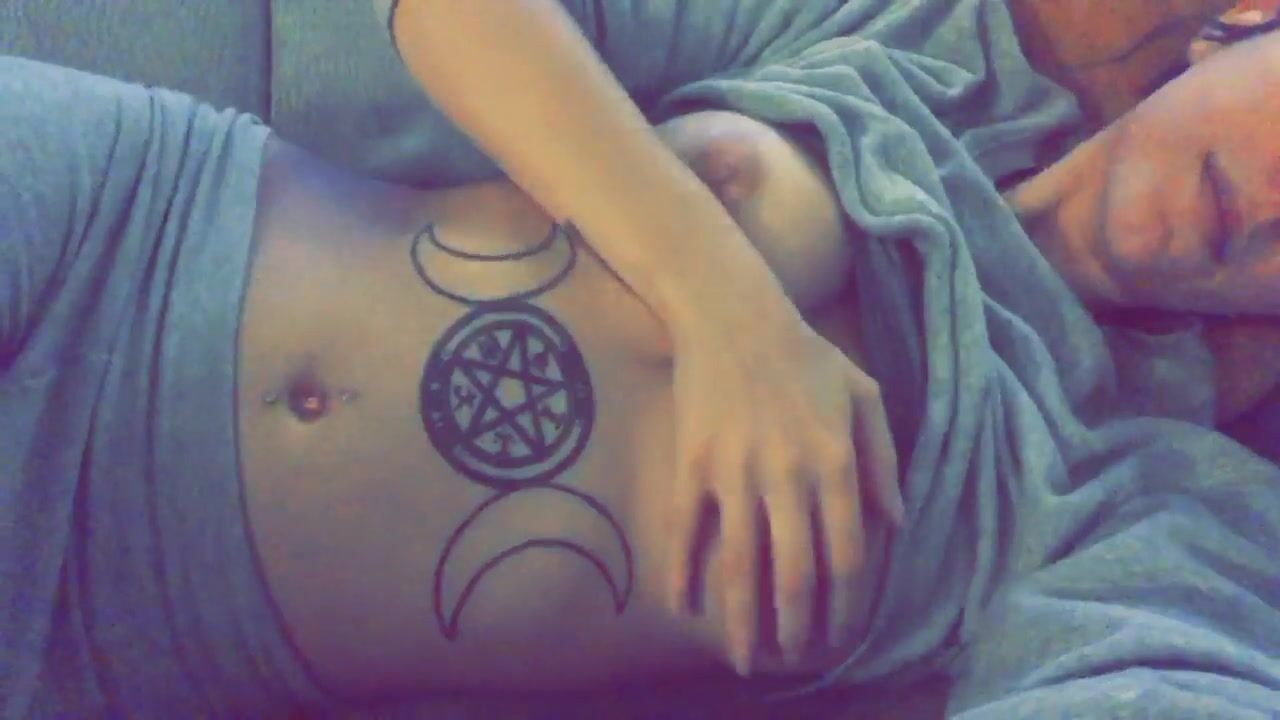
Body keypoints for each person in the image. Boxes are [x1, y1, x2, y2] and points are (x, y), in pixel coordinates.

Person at [2, 2, 1279, 719]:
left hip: (141, 631)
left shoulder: (1140, 499)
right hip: (116, 221)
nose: (1272, 214)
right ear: (1243, 25)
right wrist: (733, 315)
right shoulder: (915, 35)